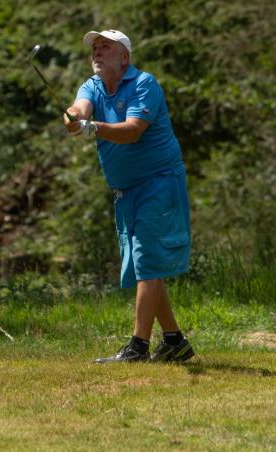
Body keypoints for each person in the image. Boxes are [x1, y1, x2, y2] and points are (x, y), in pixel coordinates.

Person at [63, 29, 194, 363]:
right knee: (143, 263)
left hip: (159, 182)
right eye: (95, 48)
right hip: (126, 190)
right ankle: (175, 341)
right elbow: (80, 107)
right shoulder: (92, 85)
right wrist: (74, 117)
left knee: (147, 261)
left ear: (124, 57)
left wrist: (92, 128)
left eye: (105, 47)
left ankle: (138, 346)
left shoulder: (144, 84)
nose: (97, 52)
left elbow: (133, 130)